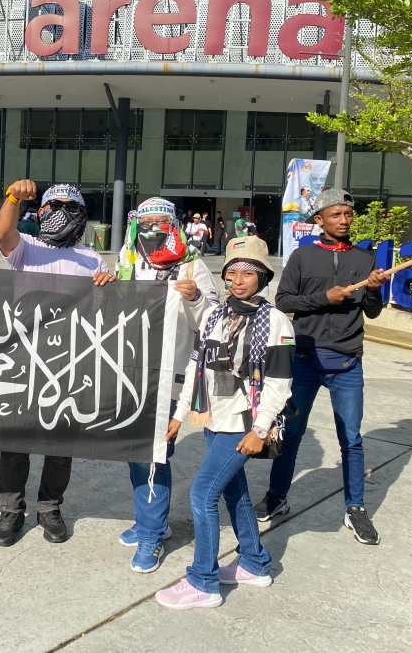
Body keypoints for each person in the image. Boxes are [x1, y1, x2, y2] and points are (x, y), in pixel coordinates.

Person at [155, 236, 294, 610]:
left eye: (248, 272)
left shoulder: (276, 321)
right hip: (214, 419)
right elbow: (195, 367)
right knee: (235, 493)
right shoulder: (218, 315)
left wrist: (259, 430)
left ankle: (203, 583)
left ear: (263, 277)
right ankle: (254, 563)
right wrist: (180, 414)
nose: (238, 279)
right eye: (232, 272)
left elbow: (279, 383)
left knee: (202, 494)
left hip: (242, 424)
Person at [255, 189, 388, 545]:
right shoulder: (302, 257)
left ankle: (355, 507)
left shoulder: (364, 258)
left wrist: (374, 289)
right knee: (292, 434)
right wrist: (323, 298)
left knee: (351, 439)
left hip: (347, 364)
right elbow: (282, 302)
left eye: (348, 214)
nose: (344, 220)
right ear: (319, 220)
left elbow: (372, 311)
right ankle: (277, 496)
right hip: (304, 360)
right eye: (336, 214)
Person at [0, 179, 115, 547]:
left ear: (82, 217)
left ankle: (49, 507)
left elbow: (102, 315)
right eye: (53, 205)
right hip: (24, 362)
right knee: (16, 443)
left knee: (60, 445)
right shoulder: (26, 247)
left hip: (70, 365)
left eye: (71, 207)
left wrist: (108, 287)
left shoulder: (93, 259)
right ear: (40, 212)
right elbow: (2, 232)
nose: (62, 213)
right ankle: (11, 509)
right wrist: (13, 197)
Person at [115, 198, 219, 573]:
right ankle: (150, 520)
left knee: (153, 456)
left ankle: (151, 535)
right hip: (130, 375)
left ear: (175, 225)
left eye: (162, 221)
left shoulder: (192, 265)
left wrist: (193, 298)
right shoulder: (128, 262)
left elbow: (212, 320)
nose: (154, 228)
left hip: (169, 380)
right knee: (135, 452)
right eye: (147, 222)